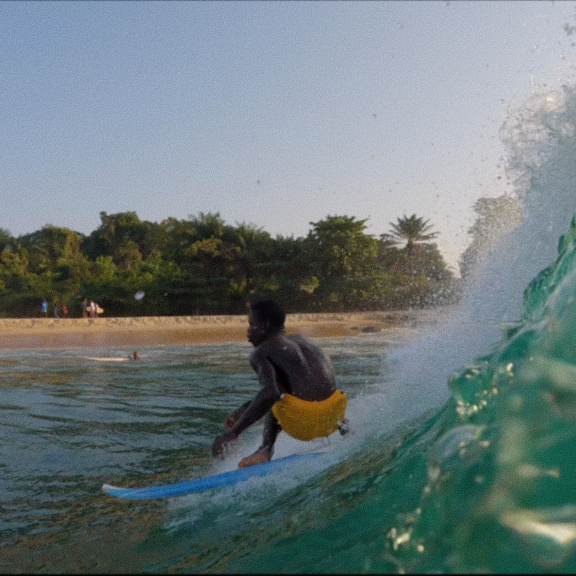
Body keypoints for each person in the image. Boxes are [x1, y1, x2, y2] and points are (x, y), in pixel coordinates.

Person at [212, 300, 348, 468]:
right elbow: (302, 387)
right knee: (282, 393)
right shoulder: (304, 342)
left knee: (272, 395)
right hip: (335, 416)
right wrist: (241, 411)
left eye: (251, 325)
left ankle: (265, 449)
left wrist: (232, 434)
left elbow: (271, 394)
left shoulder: (261, 352)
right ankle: (347, 431)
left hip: (308, 422)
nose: (248, 331)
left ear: (265, 326)